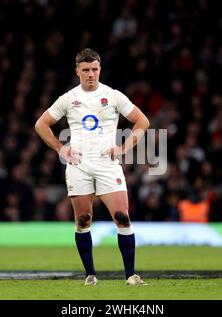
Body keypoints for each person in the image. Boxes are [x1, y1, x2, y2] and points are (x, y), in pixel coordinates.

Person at [35, 48, 150, 286]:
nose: (90, 74)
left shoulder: (113, 96)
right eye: (85, 70)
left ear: (100, 69)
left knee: (122, 217)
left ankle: (131, 275)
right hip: (79, 165)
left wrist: (124, 148)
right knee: (84, 220)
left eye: (94, 69)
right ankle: (90, 275)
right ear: (77, 71)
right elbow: (41, 124)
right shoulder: (68, 98)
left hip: (107, 163)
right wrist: (60, 148)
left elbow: (142, 121)